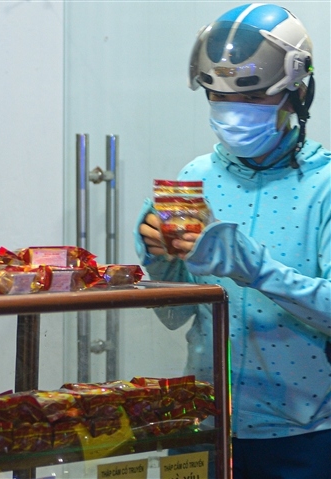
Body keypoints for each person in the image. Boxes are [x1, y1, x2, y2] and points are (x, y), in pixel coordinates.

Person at [135, 4, 330, 478]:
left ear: (296, 93)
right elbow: (175, 316)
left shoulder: (323, 187)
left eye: (254, 97)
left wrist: (253, 266)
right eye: (216, 98)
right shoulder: (196, 178)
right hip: (205, 421)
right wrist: (159, 262)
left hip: (303, 434)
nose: (232, 114)